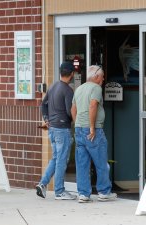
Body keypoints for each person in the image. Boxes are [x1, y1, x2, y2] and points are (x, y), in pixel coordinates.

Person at [71, 65, 117, 203]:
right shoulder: (96, 88)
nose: (103, 80)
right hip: (93, 130)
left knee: (82, 163)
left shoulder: (79, 88)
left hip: (79, 129)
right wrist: (91, 127)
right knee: (101, 161)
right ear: (96, 77)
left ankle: (83, 194)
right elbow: (93, 105)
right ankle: (104, 192)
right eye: (102, 77)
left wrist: (78, 123)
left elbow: (73, 109)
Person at [36, 62, 76, 200]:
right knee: (61, 160)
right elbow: (68, 111)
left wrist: (46, 119)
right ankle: (59, 191)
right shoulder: (68, 90)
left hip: (52, 128)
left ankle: (42, 184)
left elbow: (43, 104)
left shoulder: (53, 87)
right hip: (62, 129)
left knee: (56, 158)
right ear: (72, 74)